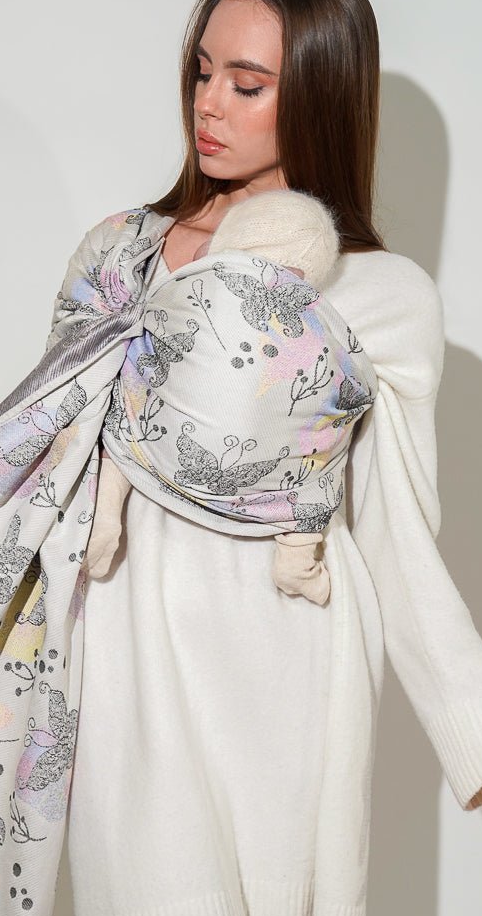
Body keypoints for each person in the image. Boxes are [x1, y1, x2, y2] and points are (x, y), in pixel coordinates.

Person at [62, 0, 482, 916]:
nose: (209, 103)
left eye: (248, 82)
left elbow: (398, 536)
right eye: (202, 72)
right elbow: (39, 467)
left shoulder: (383, 296)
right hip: (139, 672)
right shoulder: (119, 257)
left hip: (291, 685)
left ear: (323, 95)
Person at [84, 188, 346, 607]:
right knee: (323, 450)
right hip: (271, 453)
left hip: (171, 435)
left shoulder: (203, 270)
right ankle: (297, 558)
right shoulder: (315, 315)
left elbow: (158, 316)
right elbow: (344, 370)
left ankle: (103, 516)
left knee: (132, 402)